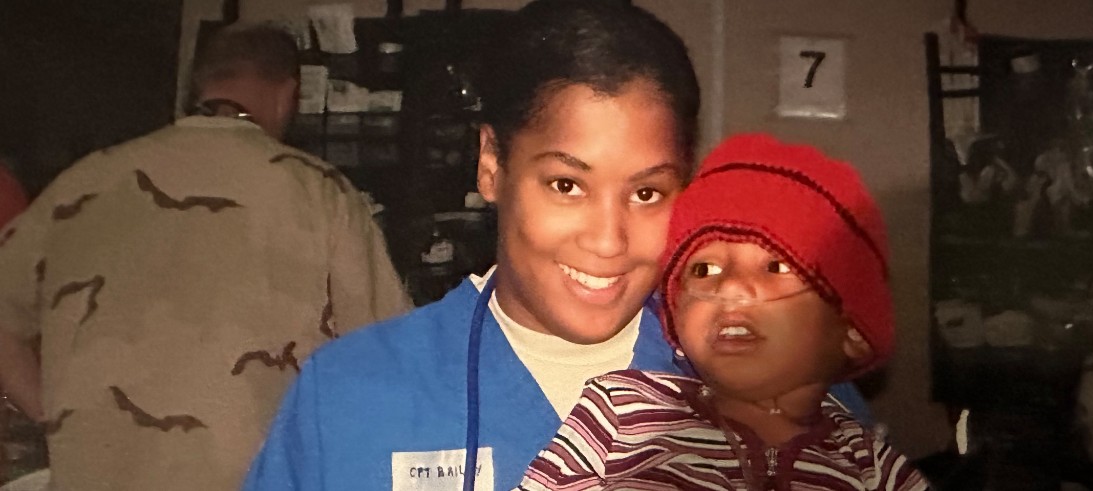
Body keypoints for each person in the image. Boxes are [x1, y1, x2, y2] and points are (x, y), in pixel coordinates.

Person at [247, 2, 866, 489]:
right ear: (491, 164)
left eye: (647, 194)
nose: (608, 240)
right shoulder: (353, 396)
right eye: (567, 184)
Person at [0, 24, 410, 491]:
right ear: (287, 95)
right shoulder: (317, 193)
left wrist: (58, 416)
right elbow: (386, 358)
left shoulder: (87, 180)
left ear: (200, 85)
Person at [519, 133, 928, 491]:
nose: (729, 287)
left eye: (777, 267)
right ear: (676, 319)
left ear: (851, 333)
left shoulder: (870, 465)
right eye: (703, 269)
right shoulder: (620, 414)